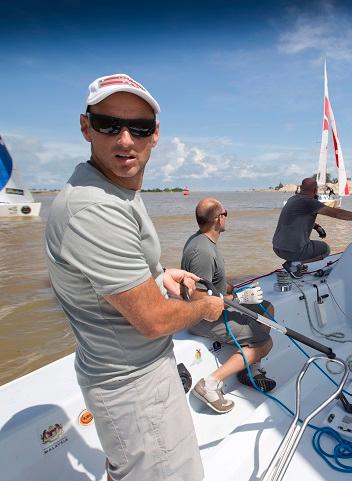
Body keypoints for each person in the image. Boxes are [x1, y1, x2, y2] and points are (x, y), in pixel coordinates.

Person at [44, 74, 225, 481]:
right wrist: (204, 306)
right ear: (85, 126)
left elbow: (118, 269)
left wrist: (160, 274)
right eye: (110, 124)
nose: (125, 140)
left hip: (126, 372)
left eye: (139, 128)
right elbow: (153, 321)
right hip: (133, 386)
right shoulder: (96, 210)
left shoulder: (115, 188)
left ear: (155, 135)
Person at [181, 198, 276, 414]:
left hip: (218, 307)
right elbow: (197, 296)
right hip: (204, 319)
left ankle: (248, 369)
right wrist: (240, 300)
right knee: (265, 342)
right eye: (226, 213)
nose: (226, 217)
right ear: (218, 218)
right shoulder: (202, 252)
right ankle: (210, 384)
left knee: (267, 308)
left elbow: (214, 282)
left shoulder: (204, 241)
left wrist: (235, 291)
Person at [272, 176, 352, 276]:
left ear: (301, 188)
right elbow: (337, 213)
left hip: (277, 248)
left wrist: (316, 227)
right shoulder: (309, 202)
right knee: (325, 249)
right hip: (292, 251)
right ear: (315, 190)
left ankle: (295, 261)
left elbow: (295, 219)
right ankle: (294, 263)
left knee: (302, 244)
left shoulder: (292, 199)